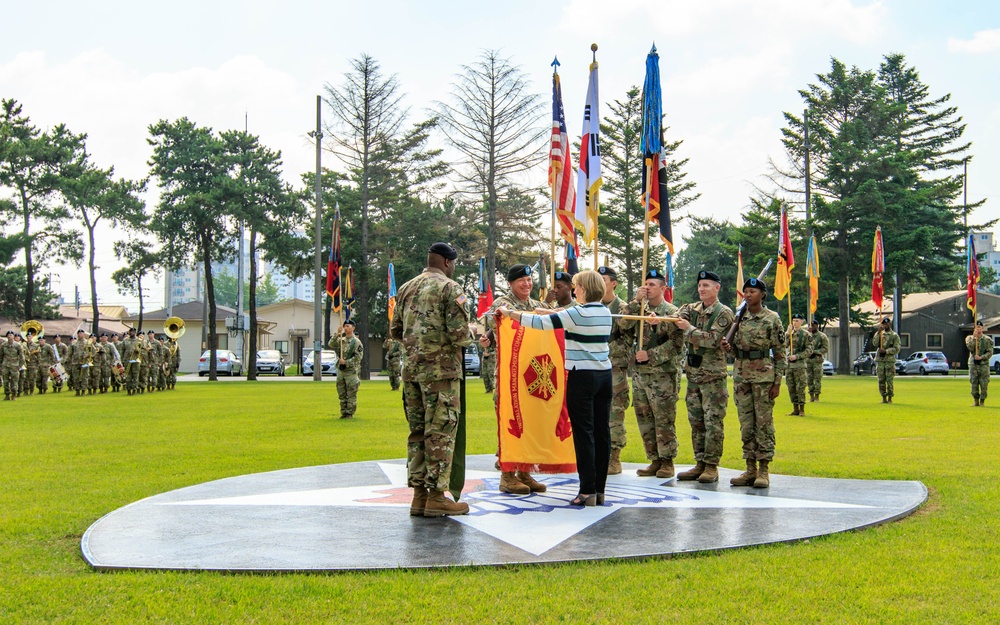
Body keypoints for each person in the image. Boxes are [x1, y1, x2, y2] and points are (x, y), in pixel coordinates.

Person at [498, 269, 613, 506]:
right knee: (602, 433)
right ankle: (599, 490)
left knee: (584, 435)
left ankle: (587, 490)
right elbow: (563, 314)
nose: (574, 289)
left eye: (576, 286)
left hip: (582, 377)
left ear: (583, 288)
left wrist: (510, 313)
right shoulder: (604, 311)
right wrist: (553, 311)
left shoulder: (576, 313)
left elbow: (541, 323)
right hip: (605, 376)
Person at [389, 242, 474, 517]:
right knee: (440, 432)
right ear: (448, 263)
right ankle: (437, 496)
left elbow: (395, 330)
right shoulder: (451, 288)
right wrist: (473, 332)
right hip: (442, 374)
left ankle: (419, 496)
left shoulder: (405, 288)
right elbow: (459, 335)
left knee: (417, 433)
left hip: (412, 373)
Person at [479, 263, 548, 495]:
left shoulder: (538, 305)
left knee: (529, 422)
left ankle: (525, 473)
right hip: (510, 373)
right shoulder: (502, 304)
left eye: (529, 280)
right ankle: (507, 475)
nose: (527, 284)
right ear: (511, 283)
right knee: (511, 421)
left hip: (533, 374)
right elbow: (503, 322)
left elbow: (552, 320)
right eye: (522, 281)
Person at [617, 269, 685, 478]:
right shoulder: (640, 310)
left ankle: (667, 461)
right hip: (640, 375)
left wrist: (651, 355)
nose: (647, 288)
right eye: (645, 284)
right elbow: (623, 323)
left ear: (663, 288)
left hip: (662, 375)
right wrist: (636, 302)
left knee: (663, 418)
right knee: (644, 418)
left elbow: (676, 345)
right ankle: (654, 459)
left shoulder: (672, 312)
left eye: (652, 285)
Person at [722, 278, 786, 489]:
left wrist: (777, 382)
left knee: (764, 424)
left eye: (753, 291)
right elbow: (732, 348)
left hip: (763, 378)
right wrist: (727, 345)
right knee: (746, 424)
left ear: (762, 295)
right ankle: (750, 469)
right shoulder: (739, 318)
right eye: (746, 292)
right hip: (741, 376)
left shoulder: (772, 318)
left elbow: (780, 353)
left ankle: (764, 469)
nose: (748, 295)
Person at [674, 270, 735, 483]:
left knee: (713, 422)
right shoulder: (692, 309)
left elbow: (712, 339)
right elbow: (675, 317)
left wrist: (688, 329)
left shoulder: (723, 313)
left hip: (713, 378)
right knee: (696, 422)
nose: (701, 289)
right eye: (700, 285)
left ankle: (711, 466)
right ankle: (699, 462)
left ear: (717, 288)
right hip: (693, 375)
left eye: (706, 285)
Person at [598, 266, 632, 475]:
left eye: (603, 279)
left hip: (614, 369)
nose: (600, 284)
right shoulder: (590, 307)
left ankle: (614, 457)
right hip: (593, 367)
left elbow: (627, 341)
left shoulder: (623, 308)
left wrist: (600, 348)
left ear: (614, 283)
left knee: (615, 414)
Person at [332, 319, 364, 419]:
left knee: (351, 393)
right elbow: (331, 344)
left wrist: (346, 362)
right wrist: (337, 333)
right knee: (341, 393)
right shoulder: (341, 340)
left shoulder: (356, 342)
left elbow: (358, 357)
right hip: (341, 371)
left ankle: (349, 413)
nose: (346, 328)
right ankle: (343, 412)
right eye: (344, 326)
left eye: (348, 326)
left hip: (351, 371)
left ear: (353, 328)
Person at [785, 314, 813, 416]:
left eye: (797, 321)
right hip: (789, 366)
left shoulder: (805, 335)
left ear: (801, 322)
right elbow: (784, 345)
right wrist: (787, 334)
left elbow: (809, 350)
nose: (795, 323)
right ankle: (795, 408)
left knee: (800, 387)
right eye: (793, 321)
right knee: (791, 387)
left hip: (800, 365)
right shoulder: (790, 334)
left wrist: (797, 356)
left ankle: (802, 409)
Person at [873, 317, 901, 403]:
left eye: (887, 324)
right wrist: (878, 333)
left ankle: (890, 398)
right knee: (881, 380)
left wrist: (886, 351)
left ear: (890, 324)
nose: (885, 325)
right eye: (884, 324)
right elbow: (874, 343)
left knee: (889, 380)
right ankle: (883, 397)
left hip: (889, 361)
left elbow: (897, 348)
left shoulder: (894, 335)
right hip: (880, 360)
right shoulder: (880, 334)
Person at [966, 320, 991, 406]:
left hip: (983, 365)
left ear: (982, 328)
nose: (978, 329)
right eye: (976, 327)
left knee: (984, 383)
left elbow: (989, 352)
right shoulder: (970, 339)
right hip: (974, 364)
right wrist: (974, 338)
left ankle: (982, 401)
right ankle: (975, 400)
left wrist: (981, 357)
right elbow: (970, 347)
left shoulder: (987, 340)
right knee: (974, 382)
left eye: (979, 327)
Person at [807, 320, 830, 402]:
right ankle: (811, 395)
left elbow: (825, 348)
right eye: (810, 325)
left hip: (817, 360)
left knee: (817, 378)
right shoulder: (806, 335)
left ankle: (817, 396)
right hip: (808, 360)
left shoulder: (822, 336)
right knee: (809, 378)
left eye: (813, 325)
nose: (812, 327)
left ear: (817, 326)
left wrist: (815, 352)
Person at [1, 330, 25, 401]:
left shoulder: (17, 345)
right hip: (5, 365)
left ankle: (14, 395)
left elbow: (22, 357)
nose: (9, 336)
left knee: (14, 381)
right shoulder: (4, 345)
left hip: (14, 366)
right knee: (5, 381)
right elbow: (1, 356)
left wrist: (20, 366)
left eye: (11, 335)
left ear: (13, 336)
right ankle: (7, 395)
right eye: (8, 335)